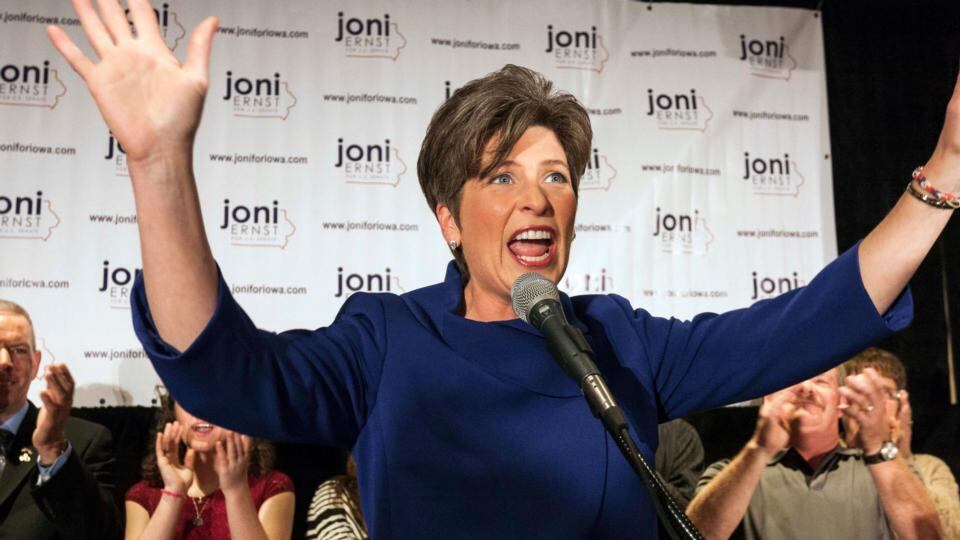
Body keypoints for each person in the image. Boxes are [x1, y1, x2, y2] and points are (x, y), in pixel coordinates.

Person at [46, 0, 960, 536]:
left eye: (557, 177)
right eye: (502, 177)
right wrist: (158, 163)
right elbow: (217, 367)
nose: (538, 198)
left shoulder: (621, 341)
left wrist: (943, 177)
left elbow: (806, 326)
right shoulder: (388, 340)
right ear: (448, 217)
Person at [687, 366, 942, 539]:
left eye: (821, 381)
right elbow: (693, 534)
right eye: (792, 380)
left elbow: (929, 535)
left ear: (841, 403)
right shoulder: (731, 475)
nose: (806, 388)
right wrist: (759, 449)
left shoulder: (881, 471)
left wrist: (877, 446)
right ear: (767, 399)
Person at [0, 300, 120, 539]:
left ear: (36, 364)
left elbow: (102, 536)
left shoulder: (84, 442)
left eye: (19, 350)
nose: (4, 361)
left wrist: (51, 449)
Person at [124, 396, 295, 539]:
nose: (200, 409)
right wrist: (173, 492)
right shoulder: (144, 494)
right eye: (188, 396)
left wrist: (236, 491)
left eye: (214, 395)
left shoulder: (272, 487)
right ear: (173, 413)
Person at [844, 348, 960, 540]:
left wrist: (901, 458)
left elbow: (950, 533)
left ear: (901, 405)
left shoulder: (929, 468)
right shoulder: (826, 463)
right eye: (861, 392)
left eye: (885, 392)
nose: (873, 402)